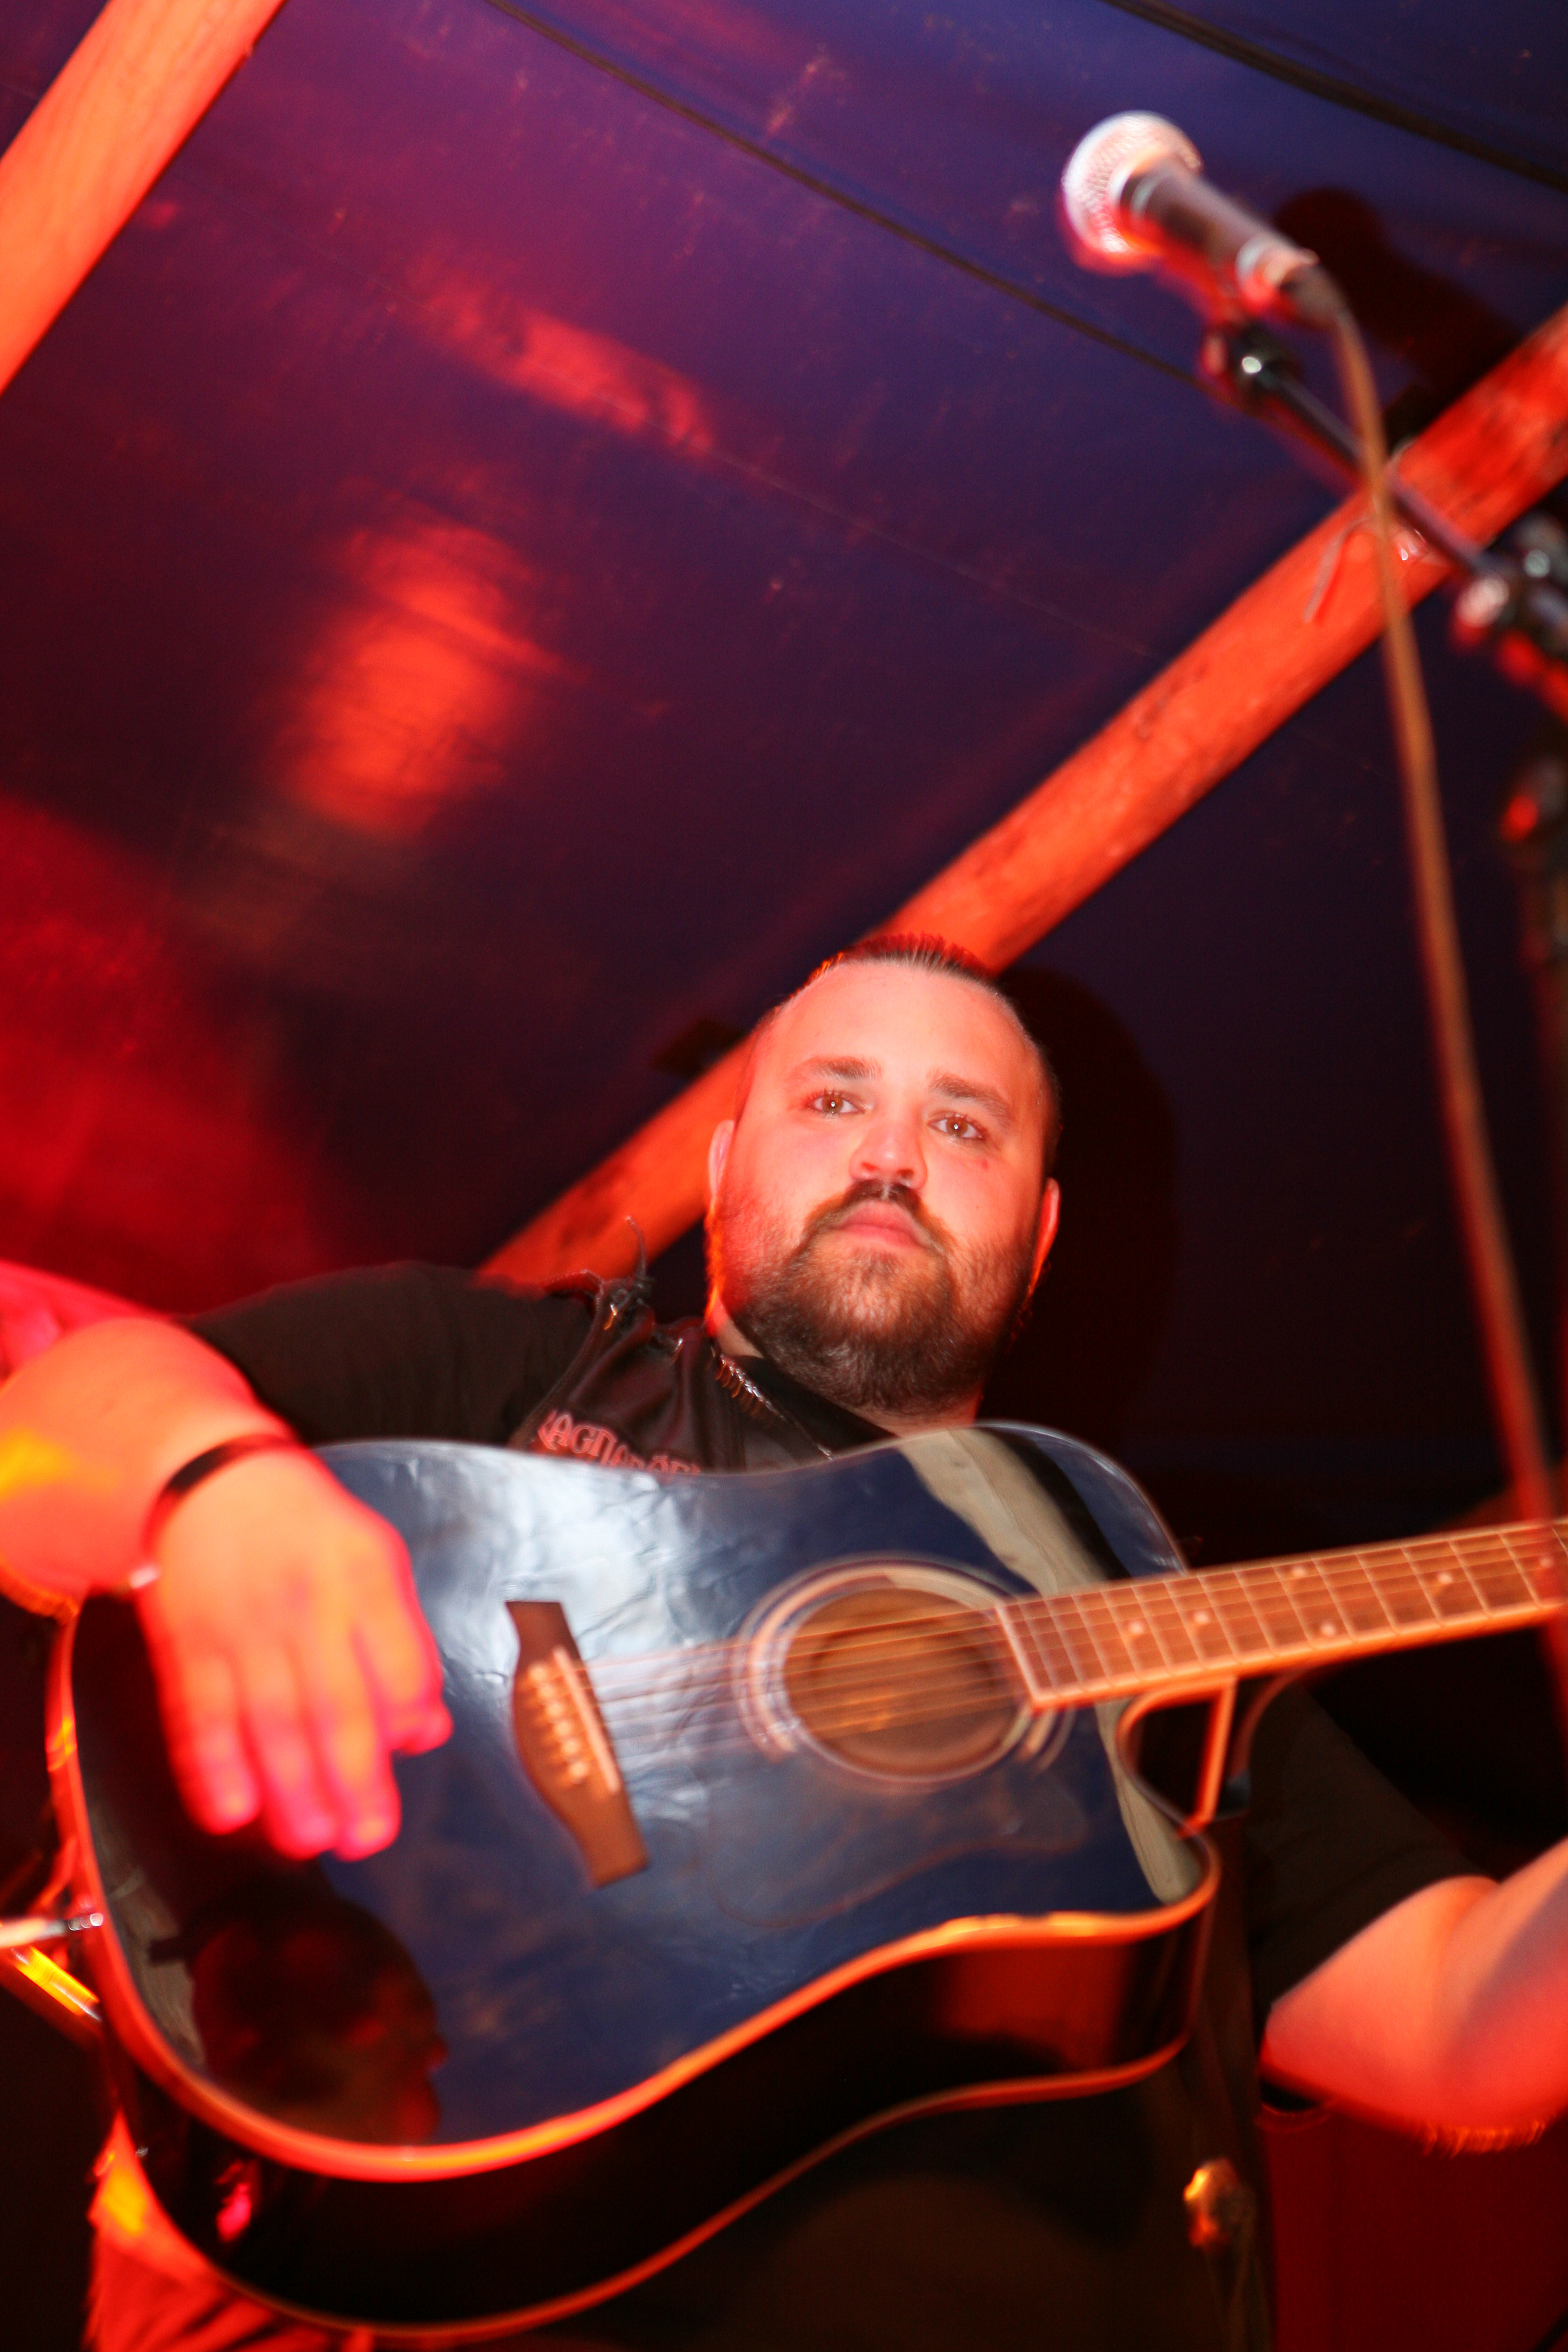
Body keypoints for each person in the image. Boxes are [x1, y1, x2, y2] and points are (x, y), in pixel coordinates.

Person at [4, 934, 1568, 2352]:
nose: (892, 1154)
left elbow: (1463, 2023)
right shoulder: (505, 1371)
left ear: (1039, 1234)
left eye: (964, 1127)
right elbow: (34, 1444)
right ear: (727, 1164)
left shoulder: (1147, 1613)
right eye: (835, 1100)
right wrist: (212, 1486)